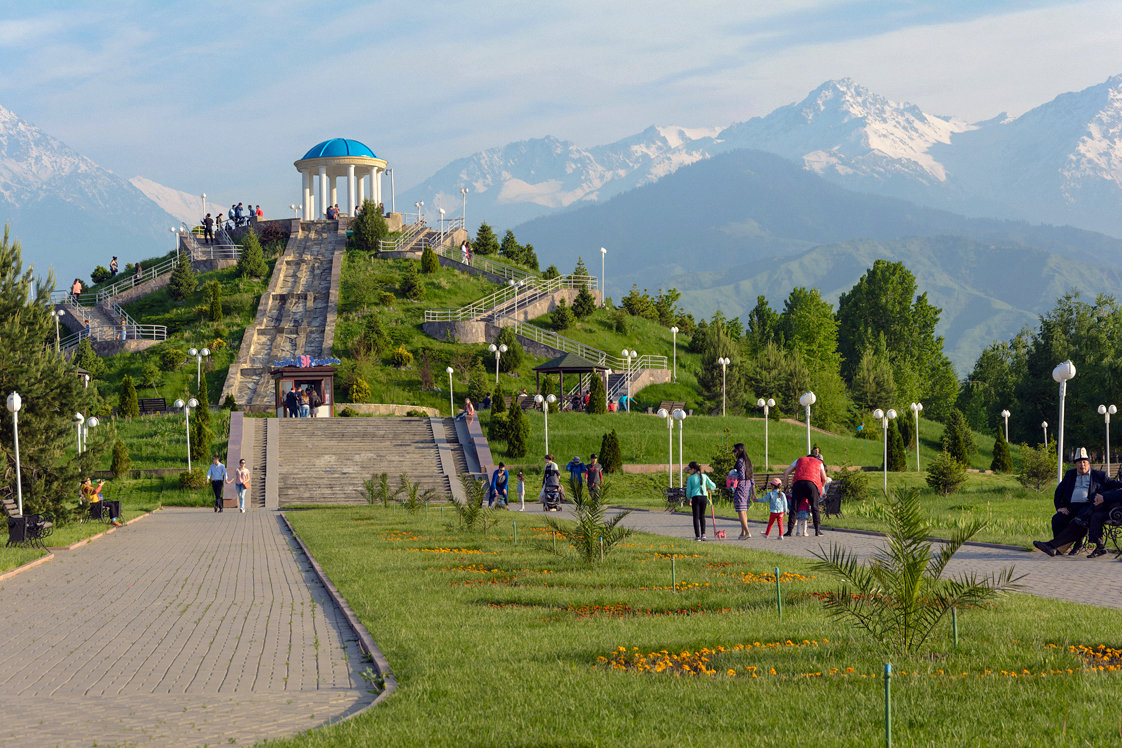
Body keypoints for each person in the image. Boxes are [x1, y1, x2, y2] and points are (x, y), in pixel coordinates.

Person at [1033, 446, 1122, 556]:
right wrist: (1060, 507)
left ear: (1089, 463)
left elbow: (1116, 484)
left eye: (1084, 462)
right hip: (1071, 507)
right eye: (1079, 463)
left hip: (1088, 506)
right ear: (1075, 464)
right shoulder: (1070, 475)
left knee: (1079, 520)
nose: (1082, 465)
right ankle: (1059, 549)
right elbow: (1058, 492)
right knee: (1057, 519)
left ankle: (1053, 546)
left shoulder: (1100, 476)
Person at [781, 451, 830, 537]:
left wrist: (786, 487)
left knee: (794, 508)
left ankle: (789, 531)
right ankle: (817, 531)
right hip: (812, 484)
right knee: (815, 508)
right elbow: (824, 478)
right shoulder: (819, 462)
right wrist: (821, 488)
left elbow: (786, 473)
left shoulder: (799, 460)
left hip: (798, 483)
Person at [686, 461, 717, 541]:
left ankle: (697, 536)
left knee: (696, 517)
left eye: (689, 469)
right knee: (702, 516)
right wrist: (709, 488)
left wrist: (689, 498)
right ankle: (703, 534)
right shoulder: (704, 476)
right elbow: (713, 486)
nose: (689, 471)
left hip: (695, 497)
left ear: (693, 469)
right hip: (704, 497)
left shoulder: (690, 478)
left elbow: (688, 491)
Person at [731, 443, 754, 539]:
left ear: (739, 451)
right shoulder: (748, 461)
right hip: (747, 487)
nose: (733, 453)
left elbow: (741, 476)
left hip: (740, 487)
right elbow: (752, 477)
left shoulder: (740, 462)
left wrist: (732, 477)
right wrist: (754, 492)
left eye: (734, 451)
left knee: (740, 511)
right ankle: (743, 532)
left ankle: (748, 532)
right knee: (744, 511)